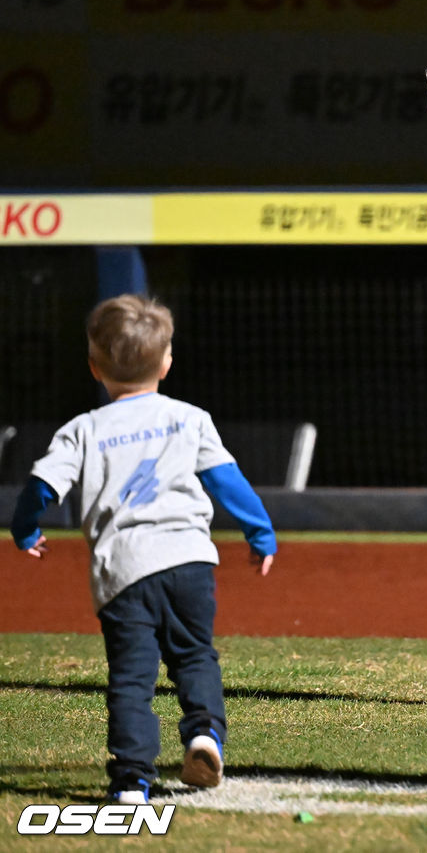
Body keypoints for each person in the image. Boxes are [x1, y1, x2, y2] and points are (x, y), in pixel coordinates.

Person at [10, 294, 277, 804]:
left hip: (124, 570)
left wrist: (25, 532)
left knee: (131, 678)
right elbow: (228, 483)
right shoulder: (190, 418)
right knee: (196, 656)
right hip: (189, 560)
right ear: (167, 361)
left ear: (94, 367)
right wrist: (260, 532)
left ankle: (132, 779)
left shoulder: (82, 430)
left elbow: (40, 489)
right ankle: (204, 735)